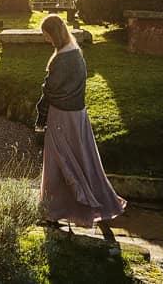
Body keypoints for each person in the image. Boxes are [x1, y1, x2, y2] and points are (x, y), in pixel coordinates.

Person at [34, 14, 125, 252]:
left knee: (56, 164)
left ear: (53, 34)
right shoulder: (76, 54)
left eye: (46, 35)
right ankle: (101, 210)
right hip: (79, 117)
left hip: (61, 117)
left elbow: (50, 91)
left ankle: (53, 213)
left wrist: (40, 118)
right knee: (86, 162)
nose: (46, 40)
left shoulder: (59, 60)